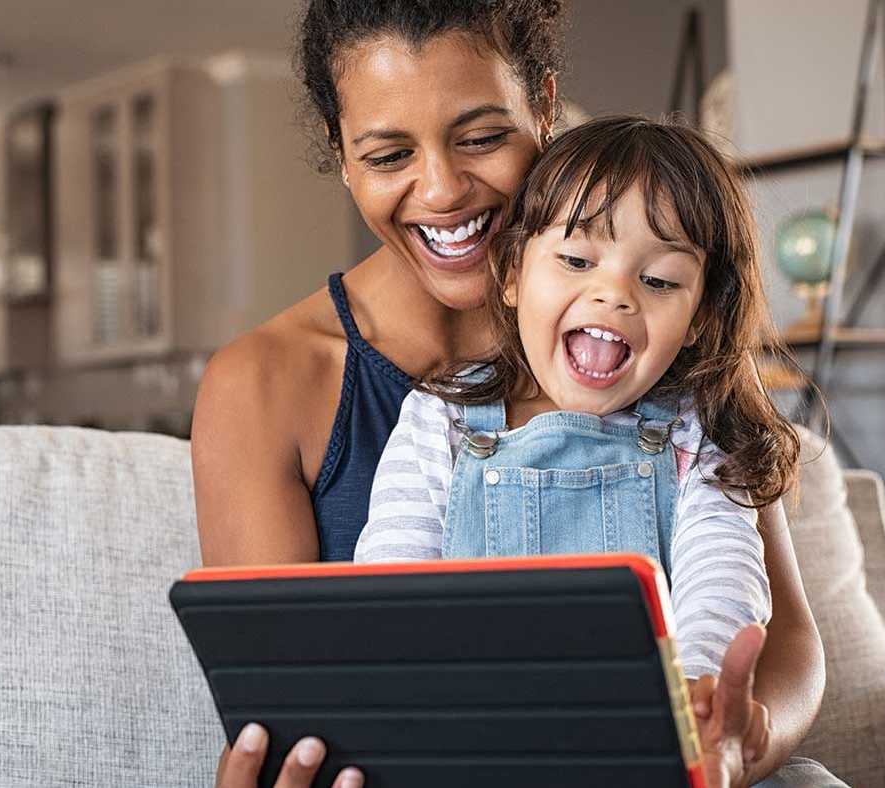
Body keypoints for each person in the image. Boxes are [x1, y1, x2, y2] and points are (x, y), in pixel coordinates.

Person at [192, 3, 835, 786]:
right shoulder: (264, 385)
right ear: (342, 154)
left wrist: (729, 740)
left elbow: (784, 640)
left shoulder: (651, 352)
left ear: (544, 106)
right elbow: (294, 699)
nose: (443, 189)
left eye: (482, 137)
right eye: (389, 153)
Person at [356, 114, 798, 777]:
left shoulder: (693, 432)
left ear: (702, 318)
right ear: (511, 275)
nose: (613, 293)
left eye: (659, 280)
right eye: (575, 259)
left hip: (649, 750)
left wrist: (701, 693)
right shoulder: (441, 418)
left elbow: (723, 577)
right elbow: (389, 591)